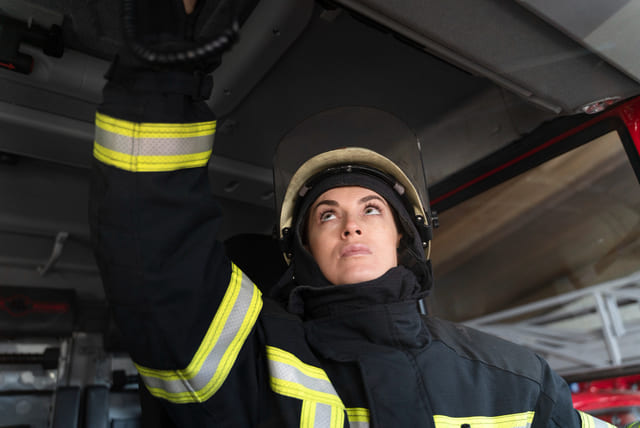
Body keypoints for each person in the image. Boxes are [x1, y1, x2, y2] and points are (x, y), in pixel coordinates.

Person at [89, 1, 621, 426]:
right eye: (325, 215)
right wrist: (158, 78)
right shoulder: (251, 364)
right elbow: (155, 262)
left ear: (404, 238)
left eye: (372, 208)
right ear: (303, 250)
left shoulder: (518, 380)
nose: (351, 224)